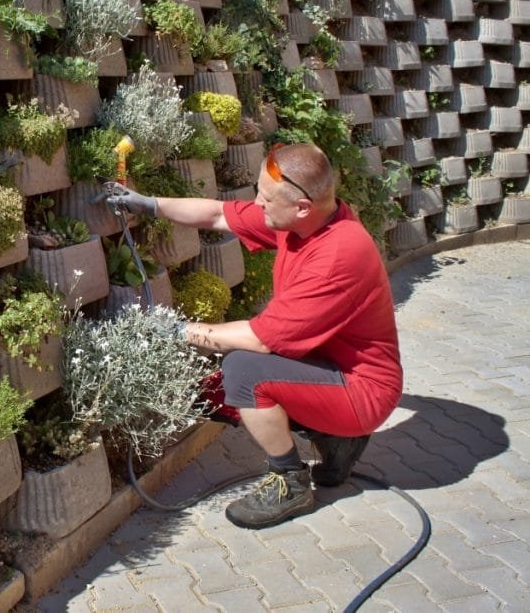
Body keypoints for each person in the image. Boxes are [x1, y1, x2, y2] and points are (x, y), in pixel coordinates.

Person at [106, 142, 403, 529]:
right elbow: (215, 214)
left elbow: (261, 340)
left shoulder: (336, 256)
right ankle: (337, 439)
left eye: (265, 199)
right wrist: (147, 204)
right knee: (219, 381)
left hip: (362, 392)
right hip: (330, 368)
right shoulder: (306, 220)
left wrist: (175, 330)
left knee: (243, 371)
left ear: (301, 206)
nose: (257, 204)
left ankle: (290, 481)